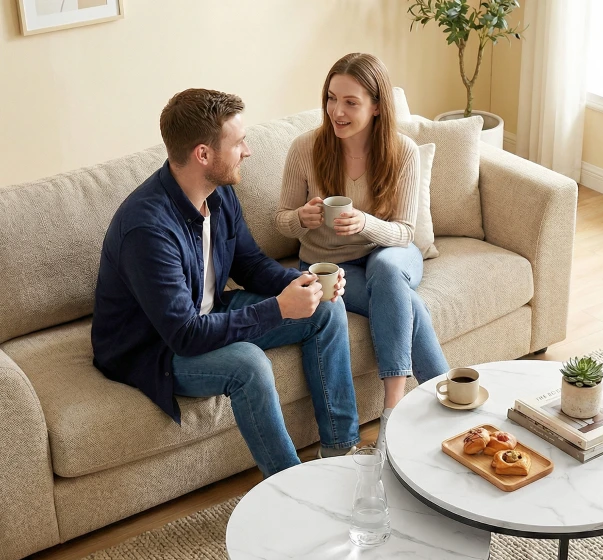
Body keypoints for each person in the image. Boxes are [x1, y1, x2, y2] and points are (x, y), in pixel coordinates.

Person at [91, 89, 361, 478]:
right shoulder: (147, 229)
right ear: (203, 154)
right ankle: (293, 490)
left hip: (208, 313)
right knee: (248, 364)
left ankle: (341, 451)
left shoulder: (219, 195)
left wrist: (307, 284)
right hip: (155, 347)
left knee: (326, 308)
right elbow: (184, 334)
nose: (248, 151)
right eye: (238, 143)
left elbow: (249, 265)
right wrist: (279, 309)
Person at [276, 52, 449, 452]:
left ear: (376, 107)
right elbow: (280, 220)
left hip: (389, 250)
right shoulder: (305, 148)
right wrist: (301, 217)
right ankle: (449, 395)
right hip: (330, 265)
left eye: (350, 102)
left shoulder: (401, 151)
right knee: (402, 301)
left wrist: (364, 222)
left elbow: (404, 233)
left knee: (389, 272)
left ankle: (393, 406)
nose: (337, 111)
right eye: (331, 98)